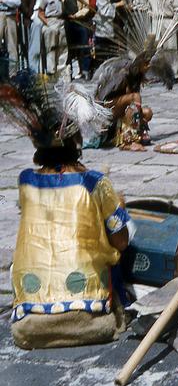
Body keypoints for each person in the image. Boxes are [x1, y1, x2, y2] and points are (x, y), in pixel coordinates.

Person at [0, 68, 131, 348]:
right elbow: (121, 241)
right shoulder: (95, 182)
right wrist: (119, 206)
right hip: (88, 320)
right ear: (77, 141)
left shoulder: (26, 181)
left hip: (28, 327)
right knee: (116, 256)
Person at [148, 0, 178, 82]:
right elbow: (149, 9)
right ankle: (160, 74)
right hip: (156, 22)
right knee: (157, 49)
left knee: (171, 48)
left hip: (168, 20)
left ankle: (174, 74)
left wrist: (174, 24)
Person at [61, 0, 91, 79]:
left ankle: (85, 70)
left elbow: (87, 7)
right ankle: (69, 71)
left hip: (80, 22)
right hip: (67, 23)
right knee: (68, 48)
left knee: (83, 46)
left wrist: (77, 15)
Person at [38, 0, 68, 75]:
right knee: (51, 47)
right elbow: (40, 13)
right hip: (51, 22)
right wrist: (48, 23)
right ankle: (51, 70)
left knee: (63, 47)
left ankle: (61, 70)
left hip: (60, 22)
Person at [20, 0, 45, 73]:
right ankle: (34, 71)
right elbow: (23, 5)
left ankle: (46, 69)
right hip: (35, 17)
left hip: (46, 16)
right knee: (35, 46)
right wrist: (31, 16)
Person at [0, 0, 21, 75]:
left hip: (10, 16)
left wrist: (3, 0)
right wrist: (10, 1)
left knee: (12, 47)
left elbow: (18, 2)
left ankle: (13, 74)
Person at [93, 0, 117, 64]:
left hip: (109, 25)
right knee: (102, 51)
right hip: (103, 25)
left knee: (110, 50)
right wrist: (118, 4)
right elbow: (104, 9)